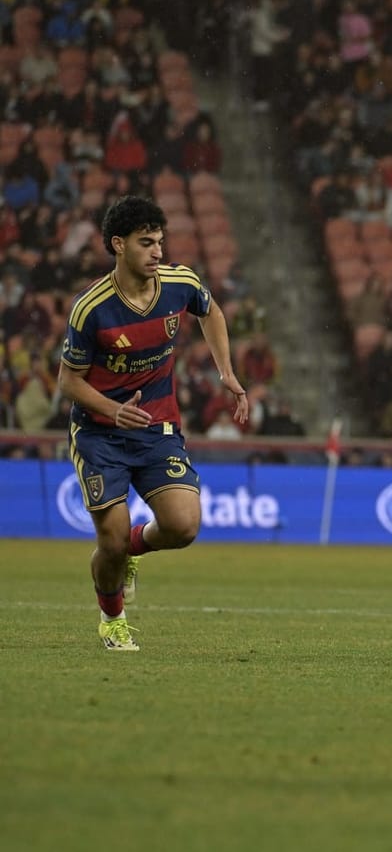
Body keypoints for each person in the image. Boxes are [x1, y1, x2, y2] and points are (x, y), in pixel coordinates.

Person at [58, 196, 249, 651]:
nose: (158, 251)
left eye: (160, 241)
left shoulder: (180, 284)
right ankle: (113, 619)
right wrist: (111, 409)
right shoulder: (91, 308)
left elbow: (211, 312)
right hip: (100, 434)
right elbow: (68, 381)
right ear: (118, 245)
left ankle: (132, 551)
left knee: (183, 526)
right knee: (110, 540)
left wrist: (226, 371)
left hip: (156, 428)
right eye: (147, 243)